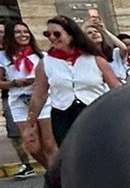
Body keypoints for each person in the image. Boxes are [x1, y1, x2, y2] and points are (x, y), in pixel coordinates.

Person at [27, 13, 120, 151]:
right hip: (63, 116)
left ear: (71, 35)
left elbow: (116, 89)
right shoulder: (45, 63)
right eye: (48, 34)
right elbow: (39, 96)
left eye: (57, 34)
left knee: (100, 151)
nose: (52, 38)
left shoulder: (96, 60)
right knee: (70, 154)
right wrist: (30, 124)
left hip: (94, 114)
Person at [2, 18, 49, 176]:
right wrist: (15, 83)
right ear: (10, 35)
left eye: (25, 31)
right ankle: (53, 171)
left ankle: (58, 177)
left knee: (49, 144)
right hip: (19, 103)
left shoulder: (42, 56)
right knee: (32, 146)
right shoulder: (3, 57)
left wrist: (41, 83)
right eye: (18, 32)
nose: (23, 35)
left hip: (43, 100)